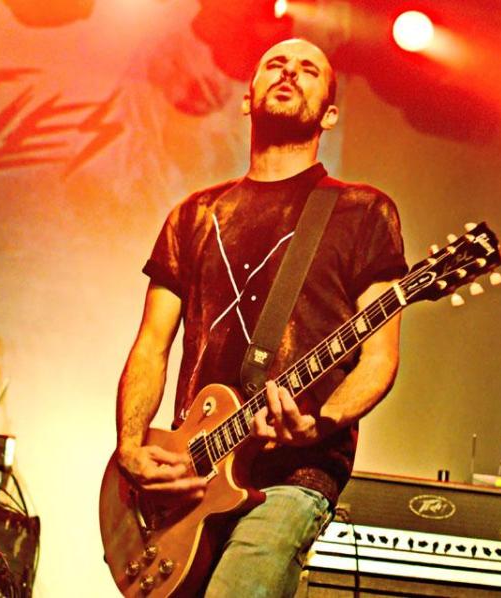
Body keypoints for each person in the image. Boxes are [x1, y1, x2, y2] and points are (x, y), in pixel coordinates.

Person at [115, 38, 407, 597]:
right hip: (192, 473)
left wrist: (322, 420)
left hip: (295, 472)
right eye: (276, 63)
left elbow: (380, 357)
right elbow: (151, 345)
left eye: (308, 70)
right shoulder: (194, 215)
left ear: (330, 114)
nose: (289, 72)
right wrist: (130, 447)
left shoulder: (364, 212)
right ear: (248, 99)